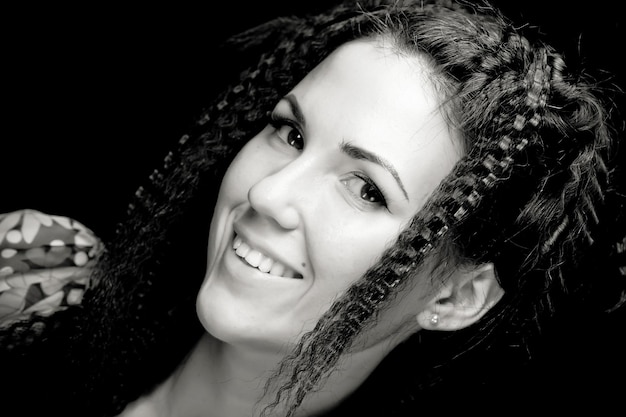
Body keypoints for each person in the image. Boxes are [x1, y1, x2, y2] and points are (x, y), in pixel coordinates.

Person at [1, 0, 625, 416]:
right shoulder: (34, 274)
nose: (268, 195)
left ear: (455, 298)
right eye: (289, 134)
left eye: (366, 189)